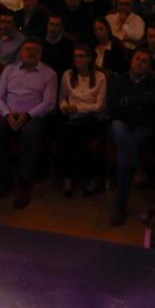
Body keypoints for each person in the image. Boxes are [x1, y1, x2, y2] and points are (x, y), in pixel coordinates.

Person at [0, 39, 58, 208]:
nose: (31, 52)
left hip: (33, 116)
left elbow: (48, 103)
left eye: (35, 49)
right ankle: (3, 177)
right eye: (27, 49)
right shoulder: (9, 70)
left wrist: (27, 115)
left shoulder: (49, 74)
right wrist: (7, 114)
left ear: (40, 53)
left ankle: (25, 182)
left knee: (30, 134)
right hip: (8, 114)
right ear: (20, 52)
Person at [109, 49, 155, 226]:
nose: (140, 63)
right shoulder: (120, 81)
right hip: (122, 124)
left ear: (149, 66)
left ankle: (120, 205)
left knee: (124, 154)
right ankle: (136, 168)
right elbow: (113, 107)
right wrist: (139, 105)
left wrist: (129, 104)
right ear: (131, 61)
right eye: (137, 59)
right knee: (119, 130)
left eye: (144, 61)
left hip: (144, 127)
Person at [57, 45, 108, 197]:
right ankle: (92, 177)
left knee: (67, 132)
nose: (78, 59)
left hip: (92, 119)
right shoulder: (67, 75)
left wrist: (77, 108)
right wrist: (65, 107)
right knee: (69, 132)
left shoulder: (100, 77)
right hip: (72, 118)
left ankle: (69, 176)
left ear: (89, 58)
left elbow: (99, 106)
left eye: (81, 56)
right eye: (75, 56)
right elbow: (62, 98)